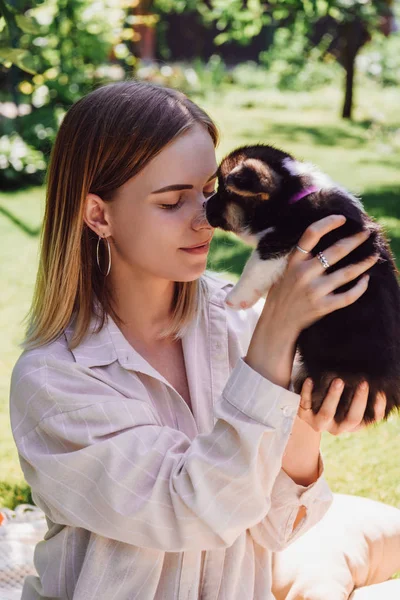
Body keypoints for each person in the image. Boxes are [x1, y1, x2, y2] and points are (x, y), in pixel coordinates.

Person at [9, 80, 385, 600]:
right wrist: (277, 332)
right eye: (171, 202)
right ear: (99, 215)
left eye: (209, 192)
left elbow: (277, 530)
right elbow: (192, 510)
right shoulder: (55, 381)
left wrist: (303, 418)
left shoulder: (237, 324)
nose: (206, 219)